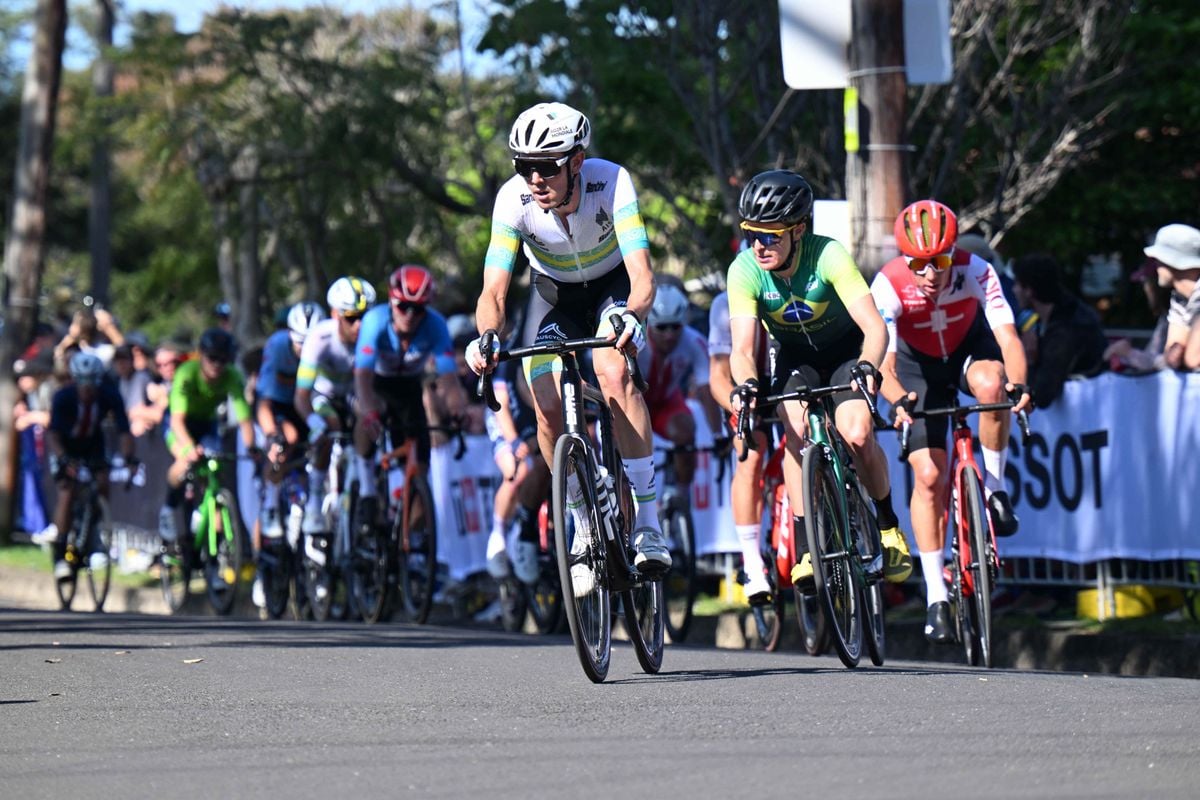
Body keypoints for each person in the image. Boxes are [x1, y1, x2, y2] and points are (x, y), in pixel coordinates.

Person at [465, 101, 672, 581]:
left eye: (545, 167)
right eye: (523, 167)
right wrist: (487, 337)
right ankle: (581, 524)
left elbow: (642, 276)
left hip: (611, 291)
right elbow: (493, 290)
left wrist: (633, 317)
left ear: (577, 161)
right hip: (552, 297)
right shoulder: (511, 200)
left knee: (614, 372)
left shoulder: (612, 182)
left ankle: (647, 522)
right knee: (545, 402)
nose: (533, 179)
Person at [725, 169, 912, 595]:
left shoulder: (828, 254)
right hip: (795, 358)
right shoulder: (744, 270)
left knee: (858, 434)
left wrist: (868, 365)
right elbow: (741, 349)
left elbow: (875, 328)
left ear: (799, 230)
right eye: (753, 234)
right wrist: (747, 385)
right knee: (794, 434)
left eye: (772, 235)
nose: (760, 245)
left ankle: (887, 526)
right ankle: (809, 547)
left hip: (847, 352)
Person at [871, 199, 1031, 643]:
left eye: (940, 260)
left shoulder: (977, 269)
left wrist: (1020, 386)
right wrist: (898, 400)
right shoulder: (888, 284)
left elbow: (1008, 336)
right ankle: (936, 594)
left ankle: (995, 489)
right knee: (928, 475)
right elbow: (882, 363)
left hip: (965, 352)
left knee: (993, 383)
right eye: (918, 263)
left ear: (954, 253)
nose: (930, 273)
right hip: (915, 369)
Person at [353, 264, 466, 528]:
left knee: (421, 472)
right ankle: (368, 490)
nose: (411, 315)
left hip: (409, 389)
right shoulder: (375, 321)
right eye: (404, 306)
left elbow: (448, 378)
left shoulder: (436, 325)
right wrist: (369, 412)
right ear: (392, 302)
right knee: (367, 413)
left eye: (419, 309)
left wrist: (457, 409)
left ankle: (407, 536)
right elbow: (362, 378)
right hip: (378, 384)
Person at [33, 353, 136, 579]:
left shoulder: (109, 395)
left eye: (92, 382)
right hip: (65, 446)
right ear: (75, 379)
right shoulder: (64, 397)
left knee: (102, 481)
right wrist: (63, 458)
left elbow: (124, 431)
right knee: (67, 491)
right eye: (83, 382)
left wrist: (130, 458)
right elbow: (53, 434)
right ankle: (61, 552)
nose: (88, 388)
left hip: (92, 444)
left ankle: (96, 529)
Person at [158, 328, 257, 547]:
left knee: (215, 471)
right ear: (201, 355)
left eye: (223, 360)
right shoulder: (186, 373)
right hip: (180, 422)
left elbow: (245, 420)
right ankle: (168, 508)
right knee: (185, 462)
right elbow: (176, 422)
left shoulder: (232, 376)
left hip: (206, 424)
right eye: (212, 358)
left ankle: (214, 542)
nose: (217, 365)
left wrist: (252, 449)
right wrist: (189, 448)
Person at [708, 289, 775, 601]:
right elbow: (718, 376)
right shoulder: (725, 304)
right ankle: (751, 560)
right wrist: (740, 411)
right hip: (746, 388)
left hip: (788, 378)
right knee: (750, 454)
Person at [295, 277, 376, 536]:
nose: (360, 324)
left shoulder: (372, 335)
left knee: (368, 417)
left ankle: (368, 494)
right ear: (335, 314)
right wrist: (313, 424)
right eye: (352, 318)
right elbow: (301, 396)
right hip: (324, 396)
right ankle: (315, 503)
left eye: (365, 316)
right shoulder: (320, 337)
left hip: (354, 394)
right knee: (329, 428)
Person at [637, 284, 721, 500]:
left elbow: (706, 389)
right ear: (649, 324)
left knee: (686, 430)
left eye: (675, 327)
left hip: (666, 403)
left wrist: (717, 434)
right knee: (623, 445)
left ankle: (682, 495)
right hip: (636, 402)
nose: (669, 335)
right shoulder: (638, 343)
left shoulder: (693, 341)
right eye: (662, 327)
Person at [256, 300, 326, 538]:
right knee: (286, 442)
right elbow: (263, 403)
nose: (306, 350)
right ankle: (271, 506)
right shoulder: (276, 347)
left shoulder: (327, 344)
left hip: (313, 406)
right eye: (300, 343)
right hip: (281, 406)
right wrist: (272, 435)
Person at [1010, 253, 1107, 407]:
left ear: (1029, 290)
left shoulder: (1068, 328)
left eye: (1017, 284)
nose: (1013, 290)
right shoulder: (1054, 317)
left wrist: (1030, 360)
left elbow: (1041, 396)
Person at [1141, 223, 1200, 371]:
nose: (1155, 265)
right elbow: (1172, 356)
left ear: (1172, 261)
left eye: (1158, 258)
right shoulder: (1180, 298)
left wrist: (1182, 351)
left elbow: (1193, 358)